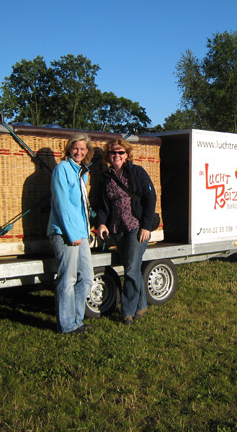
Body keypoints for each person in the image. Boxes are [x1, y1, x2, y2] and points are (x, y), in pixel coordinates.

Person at [95, 138, 157, 325]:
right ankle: (141, 305)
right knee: (133, 267)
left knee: (130, 269)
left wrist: (145, 226)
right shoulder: (106, 177)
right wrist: (101, 223)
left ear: (127, 154)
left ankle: (127, 311)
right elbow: (102, 204)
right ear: (109, 155)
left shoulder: (137, 172)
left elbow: (150, 197)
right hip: (117, 228)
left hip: (136, 228)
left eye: (120, 152)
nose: (117, 155)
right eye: (113, 152)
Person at [47, 133, 95, 334]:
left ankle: (76, 320)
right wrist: (71, 233)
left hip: (81, 233)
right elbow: (62, 204)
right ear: (69, 149)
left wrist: (86, 229)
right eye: (76, 148)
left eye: (83, 149)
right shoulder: (62, 170)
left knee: (87, 277)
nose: (79, 152)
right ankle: (66, 325)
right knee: (67, 279)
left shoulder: (81, 172)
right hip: (65, 233)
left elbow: (81, 206)